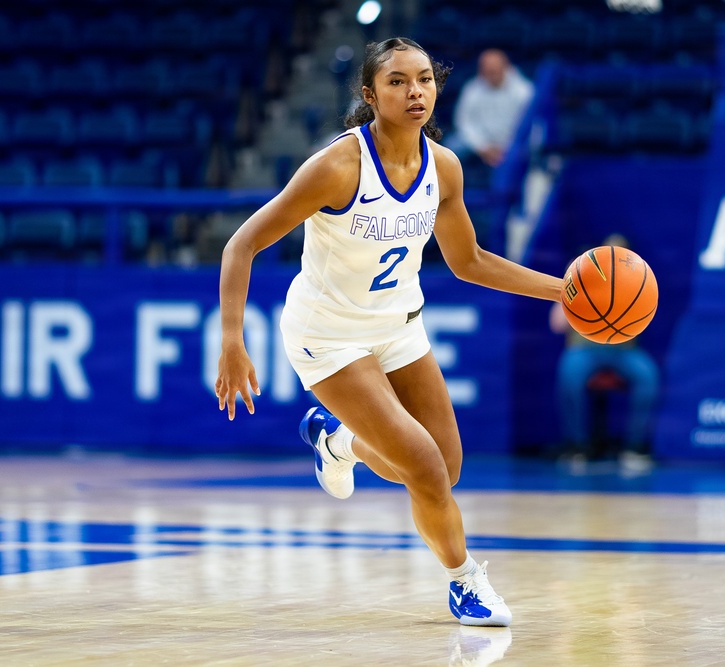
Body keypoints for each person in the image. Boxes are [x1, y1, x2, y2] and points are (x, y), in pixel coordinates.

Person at [215, 37, 564, 627]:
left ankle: (336, 440)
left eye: (424, 79)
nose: (415, 92)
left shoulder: (444, 167)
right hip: (328, 336)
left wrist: (563, 289)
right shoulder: (337, 167)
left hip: (399, 327)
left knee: (444, 468)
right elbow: (241, 243)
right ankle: (465, 581)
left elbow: (471, 260)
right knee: (424, 468)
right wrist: (231, 341)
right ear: (371, 93)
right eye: (398, 81)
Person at [549, 235, 661, 472]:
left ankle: (634, 447)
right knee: (569, 375)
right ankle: (577, 446)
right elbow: (556, 324)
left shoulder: (639, 281)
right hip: (584, 347)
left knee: (648, 376)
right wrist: (567, 288)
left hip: (623, 350)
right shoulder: (585, 274)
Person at [443, 48, 534, 169]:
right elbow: (463, 121)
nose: (490, 75)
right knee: (449, 149)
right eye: (486, 71)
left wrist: (506, 147)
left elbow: (528, 126)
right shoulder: (472, 89)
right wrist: (483, 147)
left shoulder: (524, 91)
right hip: (481, 141)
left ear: (505, 67)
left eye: (494, 71)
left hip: (512, 143)